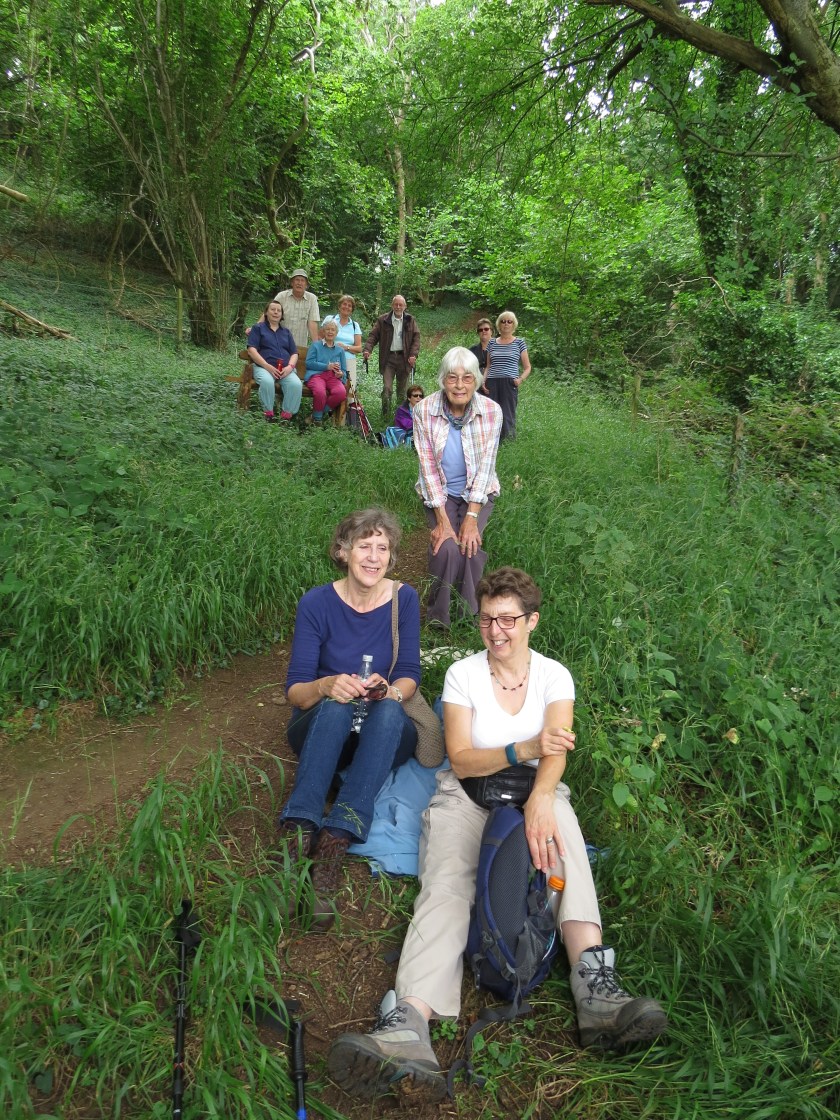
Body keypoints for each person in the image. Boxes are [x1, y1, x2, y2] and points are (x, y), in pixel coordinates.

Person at [328, 566, 669, 1101]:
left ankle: (595, 989)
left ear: (532, 620)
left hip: (535, 786)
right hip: (467, 792)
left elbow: (556, 753)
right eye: (487, 619)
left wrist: (539, 799)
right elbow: (462, 760)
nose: (496, 630)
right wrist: (523, 749)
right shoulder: (464, 674)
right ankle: (408, 1024)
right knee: (446, 885)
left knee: (564, 848)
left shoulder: (555, 675)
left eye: (508, 619)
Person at [279, 508, 421, 926]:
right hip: (325, 727)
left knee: (392, 710)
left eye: (383, 548)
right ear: (343, 551)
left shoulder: (403, 599)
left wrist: (390, 691)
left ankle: (333, 842)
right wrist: (327, 686)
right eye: (365, 546)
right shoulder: (316, 603)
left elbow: (410, 673)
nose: (374, 557)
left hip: (381, 732)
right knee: (337, 705)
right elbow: (296, 690)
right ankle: (297, 838)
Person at [412, 347, 502, 629]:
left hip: (479, 491)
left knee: (470, 545)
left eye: (466, 378)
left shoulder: (491, 411)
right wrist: (444, 521)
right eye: (452, 378)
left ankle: (468, 615)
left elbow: (486, 466)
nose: (459, 385)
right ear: (442, 380)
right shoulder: (424, 410)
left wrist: (472, 518)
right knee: (446, 547)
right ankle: (439, 617)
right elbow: (427, 469)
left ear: (476, 380)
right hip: (440, 493)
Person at [363, 295, 421, 418]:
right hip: (388, 359)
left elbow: (416, 338)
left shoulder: (410, 320)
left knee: (402, 391)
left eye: (401, 304)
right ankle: (385, 416)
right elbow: (373, 336)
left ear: (405, 306)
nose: (398, 307)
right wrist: (368, 349)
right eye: (396, 304)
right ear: (392, 305)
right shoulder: (383, 320)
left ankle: (399, 416)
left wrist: (413, 354)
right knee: (387, 388)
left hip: (404, 359)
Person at [246, 299, 303, 422]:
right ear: (266, 313)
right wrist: (267, 366)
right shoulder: (258, 328)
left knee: (296, 384)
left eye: (279, 310)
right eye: (273, 309)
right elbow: (251, 350)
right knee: (267, 382)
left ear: (282, 315)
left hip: (285, 370)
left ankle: (286, 417)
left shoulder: (286, 332)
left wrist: (290, 368)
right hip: (264, 368)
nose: (276, 312)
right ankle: (268, 415)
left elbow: (294, 353)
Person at [485, 310, 531, 441]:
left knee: (507, 412)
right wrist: (483, 382)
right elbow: (488, 365)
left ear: (514, 325)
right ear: (499, 325)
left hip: (509, 383)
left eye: (509, 321)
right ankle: (492, 441)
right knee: (492, 413)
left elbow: (528, 367)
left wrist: (520, 380)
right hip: (492, 382)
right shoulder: (492, 343)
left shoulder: (519, 343)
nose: (506, 324)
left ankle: (508, 441)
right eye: (503, 321)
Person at [274, 268, 321, 380]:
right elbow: (269, 313)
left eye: (302, 280)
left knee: (293, 374)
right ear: (292, 282)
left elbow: (312, 323)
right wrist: (255, 328)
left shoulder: (312, 299)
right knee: (278, 372)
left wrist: (317, 346)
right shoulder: (282, 296)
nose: (299, 283)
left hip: (299, 346)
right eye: (297, 280)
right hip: (280, 344)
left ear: (306, 284)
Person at [304, 319, 348, 425]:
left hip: (333, 377)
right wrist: (327, 366)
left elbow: (344, 371)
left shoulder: (340, 350)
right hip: (316, 376)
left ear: (336, 333)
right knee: (320, 392)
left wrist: (341, 374)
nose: (330, 332)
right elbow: (309, 363)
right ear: (323, 331)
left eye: (333, 330)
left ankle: (316, 414)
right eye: (327, 329)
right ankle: (317, 421)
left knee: (341, 392)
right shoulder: (315, 346)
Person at [322, 295, 363, 390]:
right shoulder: (330, 319)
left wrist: (346, 347)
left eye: (350, 305)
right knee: (328, 387)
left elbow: (359, 348)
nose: (346, 307)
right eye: (344, 304)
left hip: (348, 360)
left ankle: (350, 404)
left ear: (352, 309)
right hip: (329, 358)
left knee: (349, 390)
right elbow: (320, 337)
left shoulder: (354, 325)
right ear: (339, 306)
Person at [378, 384, 424, 449]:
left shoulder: (426, 410)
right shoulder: (401, 410)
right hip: (406, 433)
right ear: (409, 398)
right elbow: (406, 424)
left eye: (421, 396)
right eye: (415, 395)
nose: (418, 397)